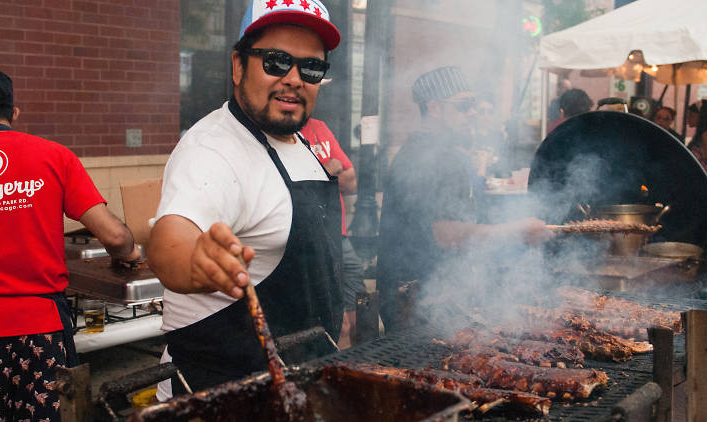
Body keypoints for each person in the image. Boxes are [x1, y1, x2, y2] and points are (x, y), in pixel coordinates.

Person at [148, 0, 343, 398]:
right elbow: (173, 237)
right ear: (238, 66)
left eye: (311, 68)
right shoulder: (213, 149)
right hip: (221, 393)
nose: (293, 79)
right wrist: (194, 260)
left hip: (295, 379)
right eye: (275, 61)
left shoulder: (301, 140)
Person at [0, 69, 140, 421]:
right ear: (14, 113)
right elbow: (113, 236)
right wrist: (130, 254)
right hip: (42, 329)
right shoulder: (54, 156)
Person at [376, 66, 551, 332]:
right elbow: (446, 234)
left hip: (430, 294)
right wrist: (516, 231)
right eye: (464, 105)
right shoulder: (428, 158)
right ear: (434, 108)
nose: (472, 113)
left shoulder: (437, 153)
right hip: (419, 300)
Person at [300, 118, 366, 349]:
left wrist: (320, 176)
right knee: (339, 321)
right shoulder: (281, 133)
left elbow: (351, 182)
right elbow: (297, 189)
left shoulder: (320, 127)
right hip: (312, 237)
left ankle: (367, 362)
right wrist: (329, 168)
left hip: (339, 234)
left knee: (362, 305)